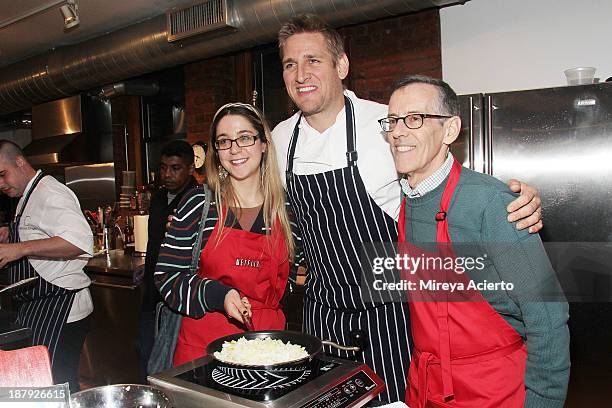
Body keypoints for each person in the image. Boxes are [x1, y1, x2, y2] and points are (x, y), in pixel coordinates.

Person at [271, 14, 544, 404]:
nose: (301, 74)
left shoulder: (385, 125)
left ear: (341, 66)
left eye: (313, 60)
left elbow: (452, 178)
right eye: (290, 64)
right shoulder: (281, 138)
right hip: (323, 312)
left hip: (390, 311)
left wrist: (517, 198)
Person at [383, 75, 569, 407]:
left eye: (414, 118)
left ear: (450, 131)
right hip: (429, 388)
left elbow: (547, 316)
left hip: (493, 392)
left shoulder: (490, 202)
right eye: (393, 120)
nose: (397, 132)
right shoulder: (406, 201)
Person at [155, 103, 304, 365]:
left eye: (245, 138)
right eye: (224, 141)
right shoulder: (199, 204)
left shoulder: (286, 211)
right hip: (203, 350)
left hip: (266, 348)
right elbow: (166, 278)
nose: (235, 149)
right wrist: (217, 294)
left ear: (263, 144)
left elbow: (290, 279)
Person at [0, 140, 93, 392]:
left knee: (58, 385)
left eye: (2, 174)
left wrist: (20, 248)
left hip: (62, 308)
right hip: (41, 304)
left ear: (19, 162)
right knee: (40, 381)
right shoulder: (27, 195)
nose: (0, 183)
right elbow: (43, 228)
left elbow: (79, 241)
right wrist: (11, 234)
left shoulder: (51, 192)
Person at [138, 140, 198, 380]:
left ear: (191, 168)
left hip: (177, 296)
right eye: (163, 168)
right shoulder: (160, 197)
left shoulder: (198, 200)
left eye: (175, 168)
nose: (167, 174)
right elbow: (156, 242)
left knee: (170, 361)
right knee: (146, 351)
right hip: (152, 290)